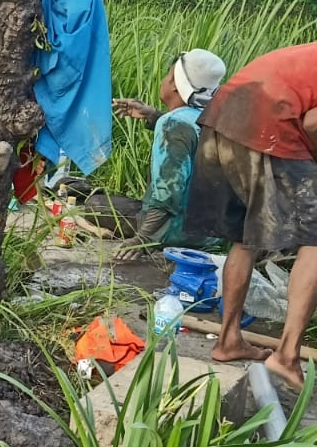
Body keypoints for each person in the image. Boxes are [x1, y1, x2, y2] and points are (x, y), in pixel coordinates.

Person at [184, 42, 317, 387]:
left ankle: (228, 340)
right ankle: (287, 356)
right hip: (269, 122)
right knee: (315, 241)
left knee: (244, 236)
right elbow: (314, 123)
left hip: (223, 115)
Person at [113, 48, 227, 255]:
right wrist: (153, 115)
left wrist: (143, 239)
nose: (164, 80)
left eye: (168, 75)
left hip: (175, 232)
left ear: (175, 84)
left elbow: (168, 192)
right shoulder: (213, 118)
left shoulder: (173, 123)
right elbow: (192, 138)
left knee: (95, 206)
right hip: (210, 233)